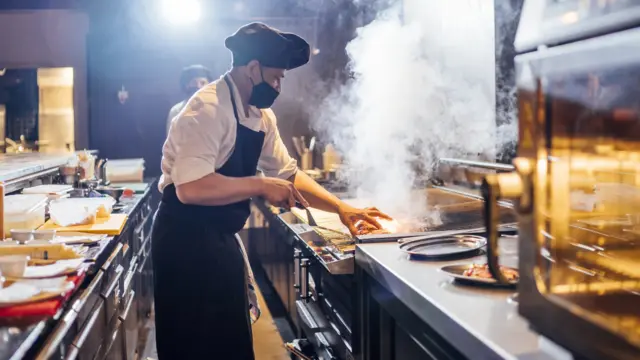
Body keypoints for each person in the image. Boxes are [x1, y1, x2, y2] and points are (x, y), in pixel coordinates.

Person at [152, 22, 390, 360]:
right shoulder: (207, 108)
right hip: (184, 243)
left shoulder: (260, 116)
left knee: (231, 342)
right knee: (195, 346)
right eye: (276, 77)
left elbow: (289, 173)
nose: (278, 86)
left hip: (220, 239)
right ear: (252, 69)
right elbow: (190, 188)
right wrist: (261, 185)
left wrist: (341, 208)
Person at [165, 64, 213, 134]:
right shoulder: (176, 111)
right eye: (194, 82)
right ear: (186, 85)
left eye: (202, 83)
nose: (198, 86)